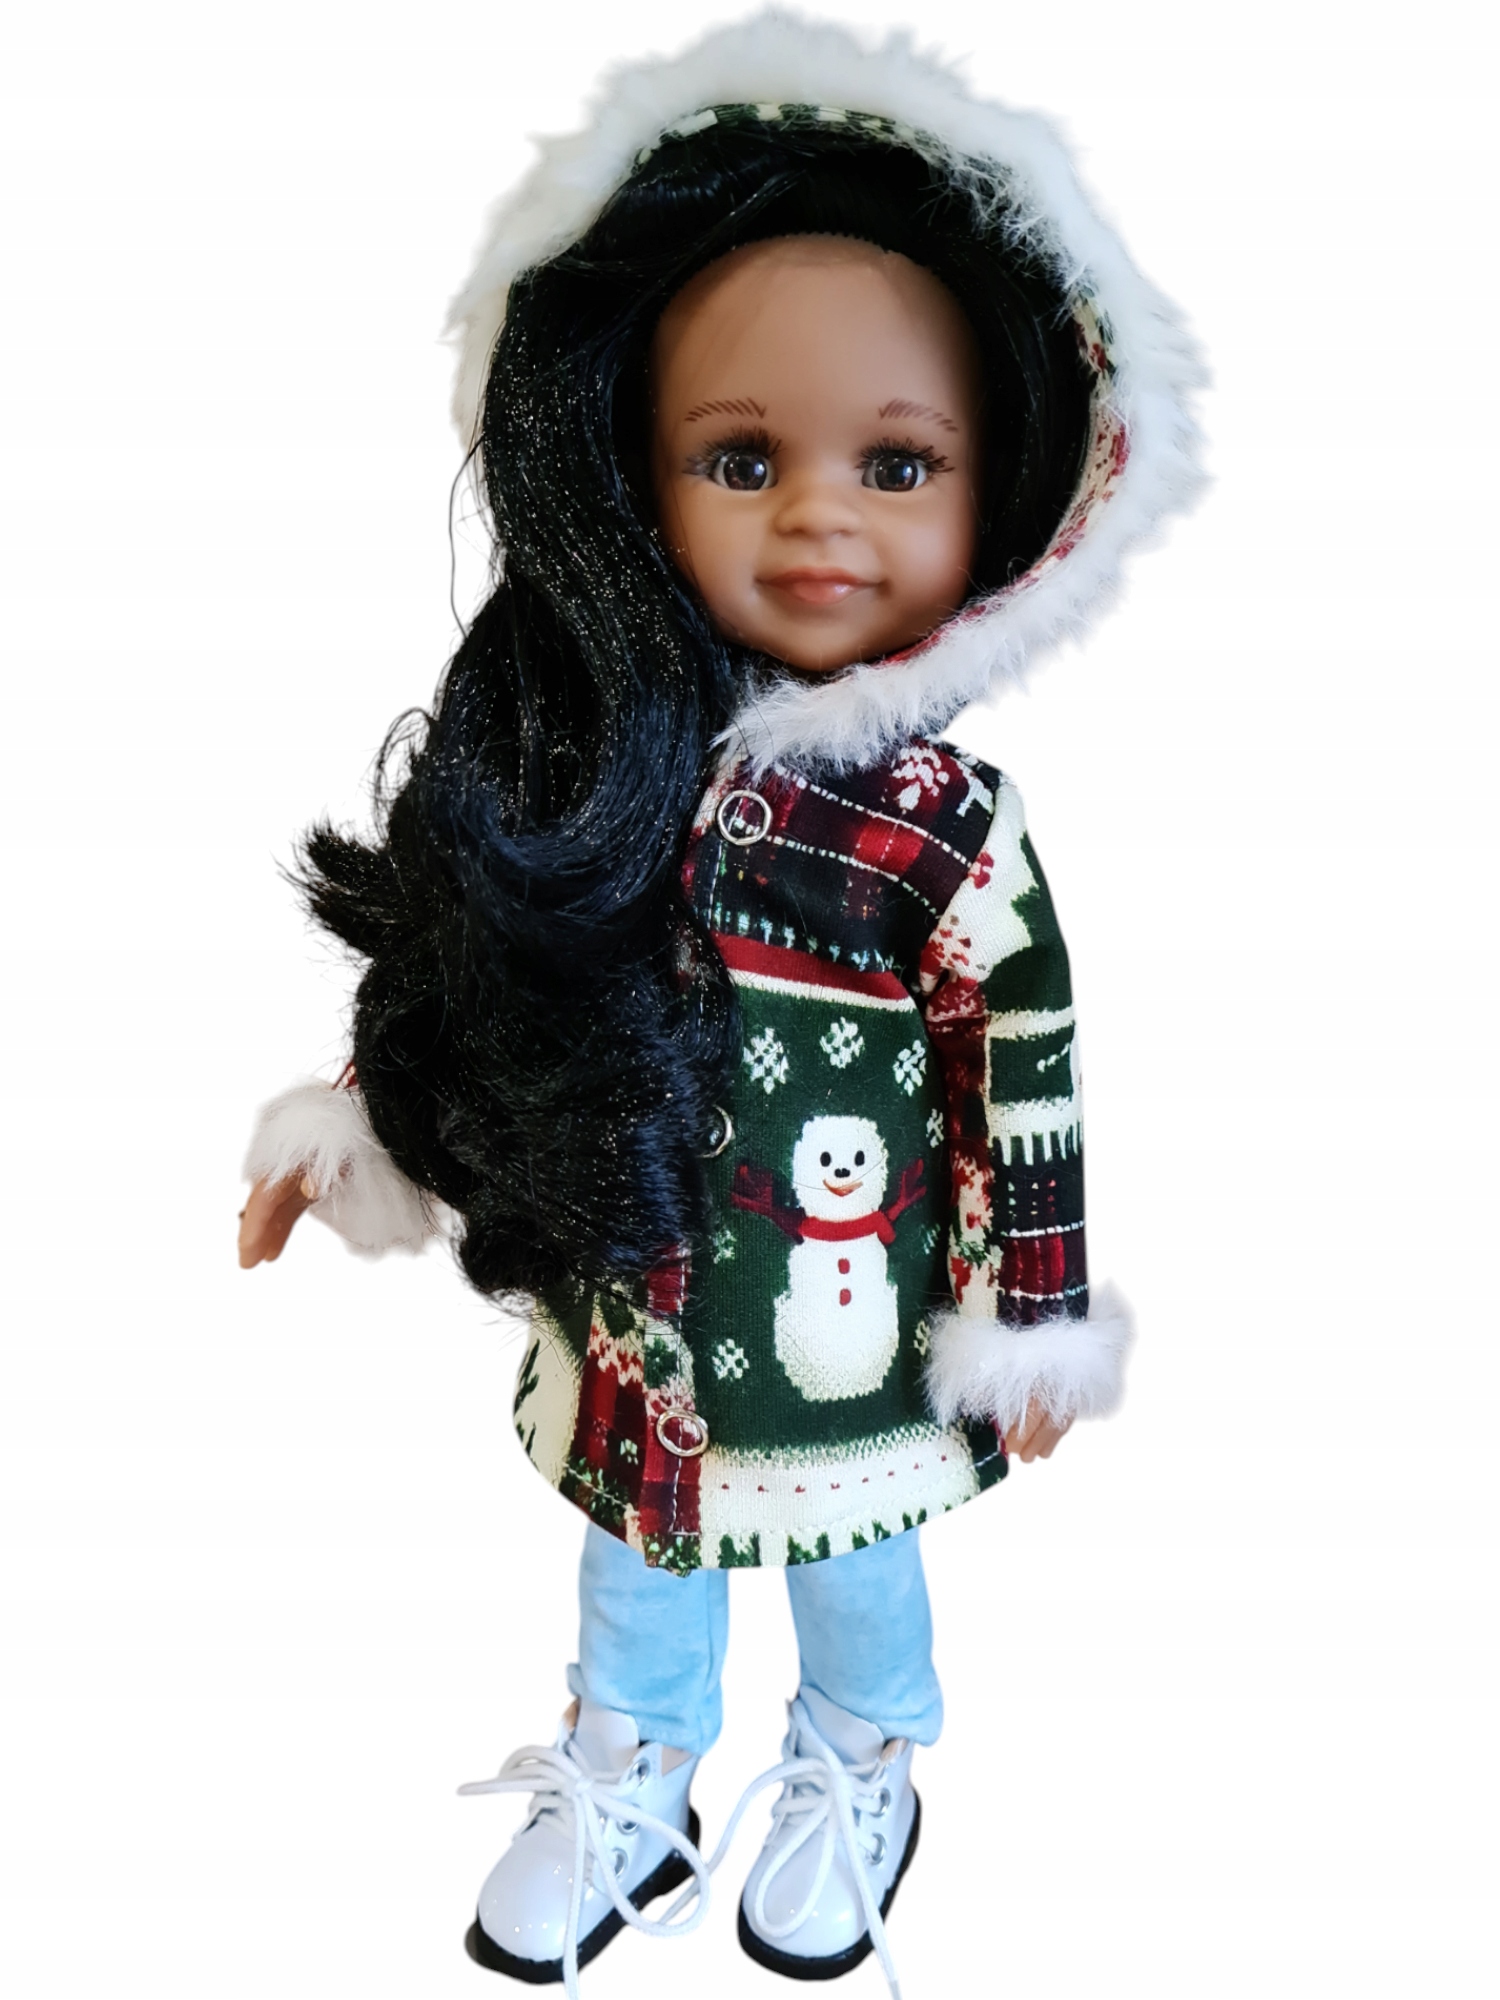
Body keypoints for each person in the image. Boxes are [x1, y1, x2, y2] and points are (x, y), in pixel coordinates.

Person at [239, 17, 1202, 1997]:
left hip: (858, 1326)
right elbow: (480, 965)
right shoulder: (586, 764)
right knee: (637, 1559)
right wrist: (365, 1126)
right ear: (627, 471)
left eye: (897, 463)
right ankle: (636, 1770)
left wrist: (1031, 1309)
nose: (818, 517)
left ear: (1012, 488)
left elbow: (1024, 1065)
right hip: (635, 1299)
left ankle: (863, 1758)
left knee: (857, 1566)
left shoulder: (943, 829)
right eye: (742, 459)